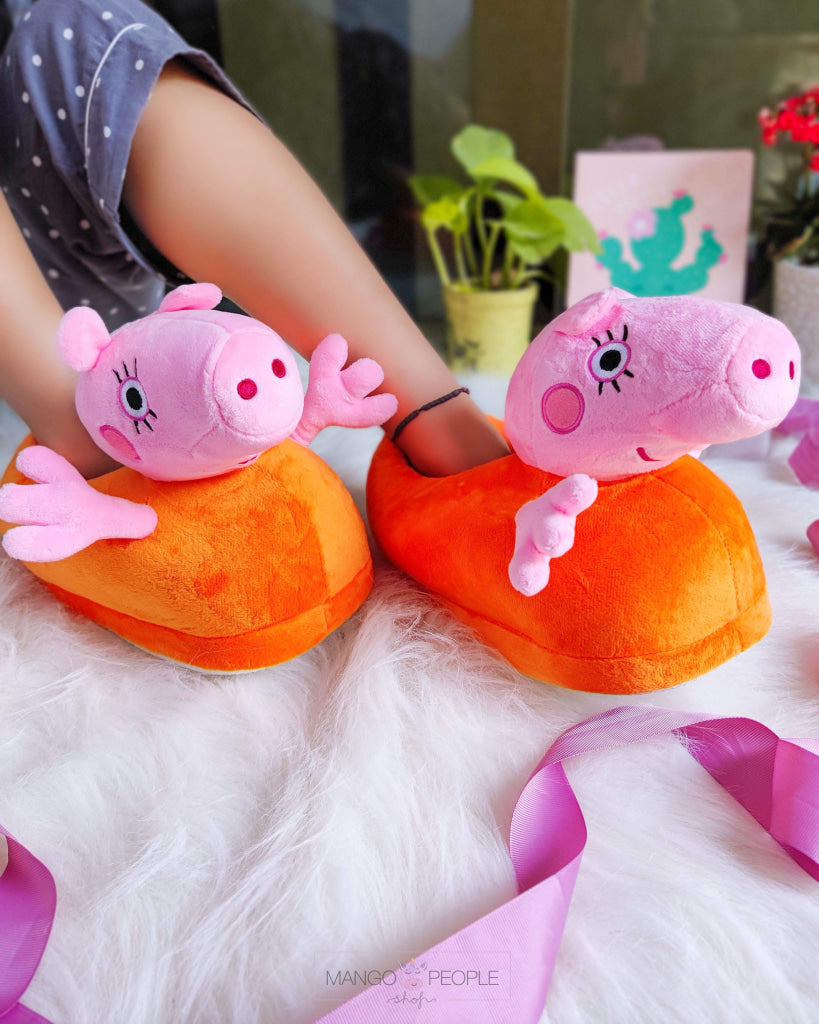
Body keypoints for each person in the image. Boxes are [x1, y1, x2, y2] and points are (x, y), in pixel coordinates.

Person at [0, 0, 509, 480]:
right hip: (64, 358)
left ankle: (446, 427)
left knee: (70, 27)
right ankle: (92, 439)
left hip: (76, 262)